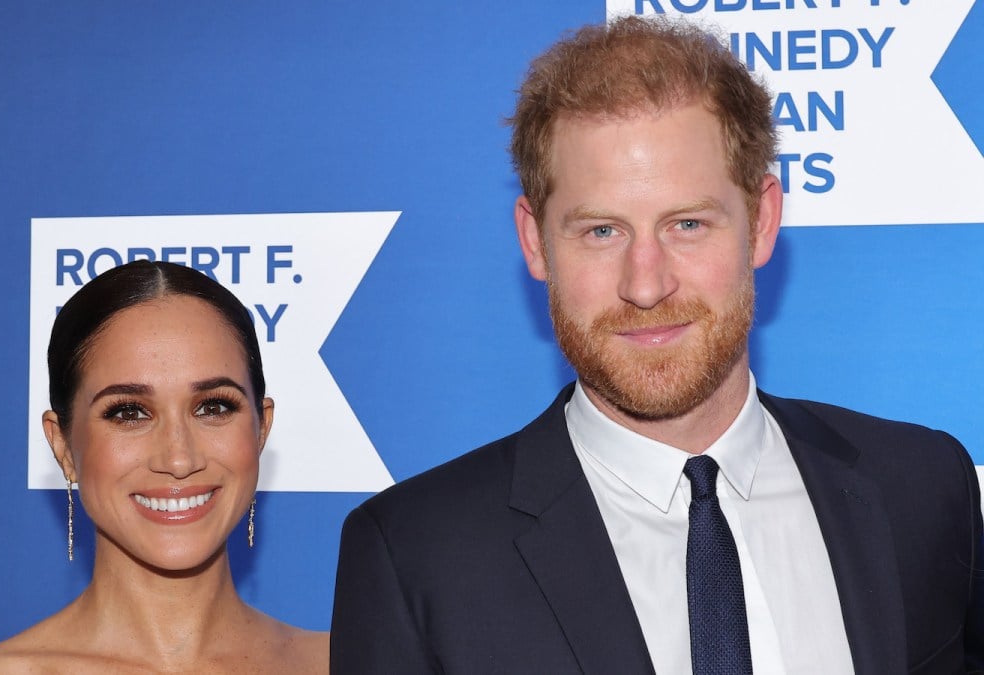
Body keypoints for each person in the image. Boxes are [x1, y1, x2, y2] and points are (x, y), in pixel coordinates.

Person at [330, 15, 984, 675]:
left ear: (762, 221)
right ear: (534, 241)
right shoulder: (415, 556)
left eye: (689, 223)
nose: (646, 284)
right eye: (602, 231)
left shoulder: (924, 487)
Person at [0, 260, 328, 673]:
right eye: (129, 413)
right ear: (63, 445)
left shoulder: (361, 659)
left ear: (260, 429)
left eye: (212, 407)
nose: (178, 459)